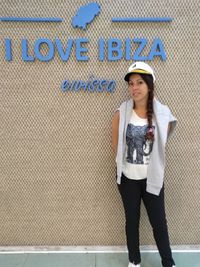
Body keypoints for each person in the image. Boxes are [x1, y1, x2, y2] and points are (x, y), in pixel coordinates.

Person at [111, 62, 177, 267]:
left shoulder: (162, 114)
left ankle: (168, 262)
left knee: (159, 223)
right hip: (128, 180)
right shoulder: (121, 112)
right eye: (131, 83)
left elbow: (163, 142)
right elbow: (116, 145)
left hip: (152, 179)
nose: (134, 88)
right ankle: (134, 261)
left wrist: (155, 105)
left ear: (149, 85)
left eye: (140, 82)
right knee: (132, 222)